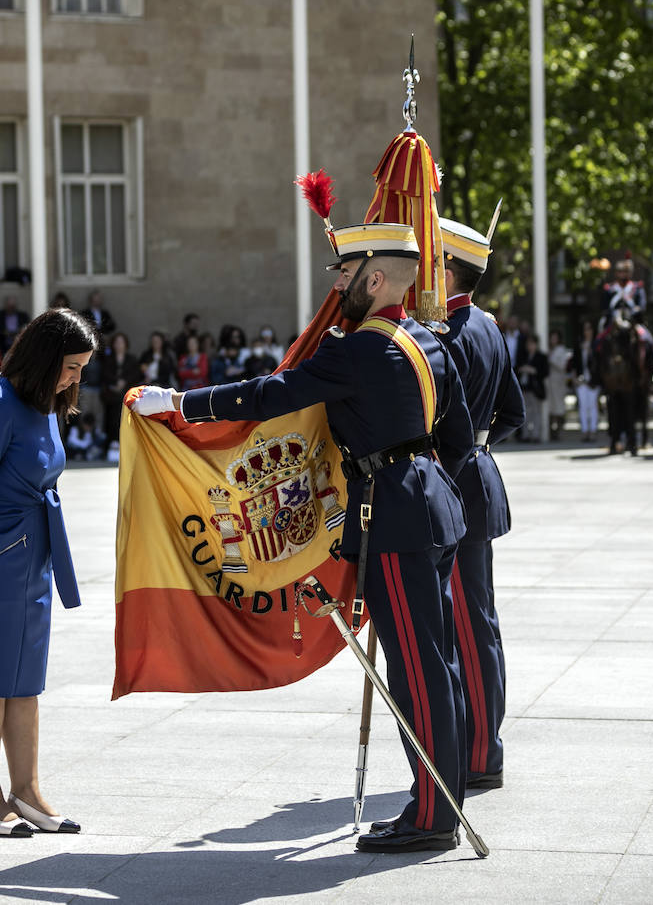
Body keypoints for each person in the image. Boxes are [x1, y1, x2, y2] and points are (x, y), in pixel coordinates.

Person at [132, 220, 472, 854]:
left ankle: (433, 816)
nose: (336, 287)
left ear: (373, 279)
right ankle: (440, 798)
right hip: (432, 504)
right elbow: (453, 433)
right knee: (437, 658)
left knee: (416, 669)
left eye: (344, 275)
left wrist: (180, 403)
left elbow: (269, 395)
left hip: (395, 515)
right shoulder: (425, 341)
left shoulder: (359, 350)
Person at [0, 307, 94, 837]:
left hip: (34, 556)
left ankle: (26, 790)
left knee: (25, 680)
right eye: (72, 367)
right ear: (45, 357)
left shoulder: (46, 403)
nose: (77, 378)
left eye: (80, 369)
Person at [425, 215, 525, 790]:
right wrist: (482, 449)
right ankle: (485, 746)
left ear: (448, 269)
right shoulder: (488, 327)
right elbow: (512, 414)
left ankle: (482, 755)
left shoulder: (448, 336)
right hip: (480, 477)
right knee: (478, 621)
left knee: (465, 624)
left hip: (455, 485)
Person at [99, 331, 141, 445]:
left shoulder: (131, 359)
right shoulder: (108, 359)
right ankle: (111, 440)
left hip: (127, 391)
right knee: (111, 414)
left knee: (121, 409)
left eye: (121, 342)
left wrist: (124, 382)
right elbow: (105, 374)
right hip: (111, 392)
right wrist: (115, 382)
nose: (119, 345)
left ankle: (122, 440)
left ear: (126, 344)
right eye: (117, 342)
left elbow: (135, 374)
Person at [569, 320, 601, 442]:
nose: (587, 332)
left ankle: (593, 430)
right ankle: (585, 431)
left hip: (593, 380)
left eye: (589, 329)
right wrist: (574, 377)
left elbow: (599, 362)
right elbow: (574, 362)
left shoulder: (597, 344)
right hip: (581, 380)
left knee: (593, 406)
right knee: (583, 406)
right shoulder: (579, 344)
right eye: (585, 329)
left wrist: (590, 352)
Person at [515, 333, 548, 442]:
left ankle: (536, 435)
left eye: (532, 344)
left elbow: (545, 372)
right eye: (528, 344)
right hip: (524, 387)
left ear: (536, 344)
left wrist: (533, 371)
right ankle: (525, 435)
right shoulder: (522, 356)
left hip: (535, 388)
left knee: (536, 412)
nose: (530, 346)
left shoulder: (541, 356)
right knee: (525, 413)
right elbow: (516, 369)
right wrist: (523, 369)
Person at [546, 330, 571, 440]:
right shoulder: (548, 349)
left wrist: (551, 359)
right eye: (552, 337)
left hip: (558, 382)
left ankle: (559, 430)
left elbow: (562, 366)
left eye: (555, 338)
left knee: (559, 407)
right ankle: (552, 431)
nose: (553, 340)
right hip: (549, 382)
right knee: (550, 408)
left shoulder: (562, 350)